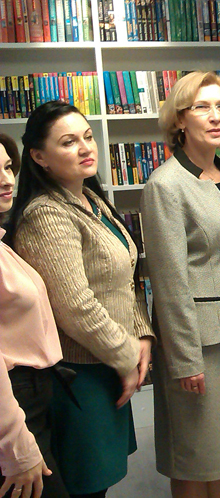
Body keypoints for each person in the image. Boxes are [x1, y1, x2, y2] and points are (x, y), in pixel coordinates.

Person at [5, 102, 154, 498]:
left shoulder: (91, 199)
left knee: (99, 483)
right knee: (84, 486)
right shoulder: (46, 215)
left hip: (108, 363)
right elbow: (76, 307)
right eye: (68, 142)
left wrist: (141, 334)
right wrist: (127, 356)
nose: (86, 147)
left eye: (87, 136)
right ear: (39, 157)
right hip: (80, 373)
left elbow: (124, 277)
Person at [140, 72, 220, 498]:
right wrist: (185, 360)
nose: (216, 116)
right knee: (193, 454)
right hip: (198, 342)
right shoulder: (165, 185)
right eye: (202, 107)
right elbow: (169, 283)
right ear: (179, 119)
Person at [0, 133, 68, 498]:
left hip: (32, 396)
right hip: (13, 402)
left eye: (8, 167)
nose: (6, 180)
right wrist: (17, 446)